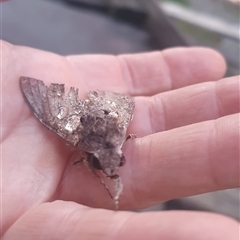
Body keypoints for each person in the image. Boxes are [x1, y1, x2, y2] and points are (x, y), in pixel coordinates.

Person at [1, 40, 239, 239]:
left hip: (104, 117)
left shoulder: (112, 137)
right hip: (97, 118)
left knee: (52, 115)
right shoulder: (89, 139)